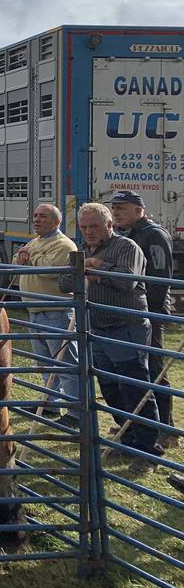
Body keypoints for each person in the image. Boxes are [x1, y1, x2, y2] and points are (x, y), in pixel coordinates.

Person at [58, 202, 161, 473]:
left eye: (94, 226)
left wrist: (97, 266)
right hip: (98, 329)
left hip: (127, 326)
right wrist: (84, 268)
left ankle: (149, 451)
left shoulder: (126, 248)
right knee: (110, 387)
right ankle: (127, 440)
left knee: (135, 386)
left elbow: (127, 280)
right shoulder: (81, 251)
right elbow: (65, 283)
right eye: (83, 227)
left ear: (109, 225)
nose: (89, 232)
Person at [111, 190, 177, 449]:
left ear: (139, 209)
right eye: (114, 208)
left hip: (150, 312)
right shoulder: (124, 236)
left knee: (155, 368)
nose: (116, 212)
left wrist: (151, 313)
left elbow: (160, 277)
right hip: (130, 313)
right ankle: (138, 422)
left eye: (122, 208)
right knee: (133, 370)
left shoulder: (154, 235)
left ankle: (167, 429)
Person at [15, 204, 79, 421]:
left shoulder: (63, 245)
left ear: (56, 221)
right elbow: (18, 260)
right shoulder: (37, 242)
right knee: (44, 364)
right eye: (35, 216)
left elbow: (50, 269)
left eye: (42, 216)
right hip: (36, 311)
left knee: (65, 365)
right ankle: (50, 404)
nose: (37, 220)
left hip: (57, 312)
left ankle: (76, 413)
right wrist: (29, 255)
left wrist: (30, 255)